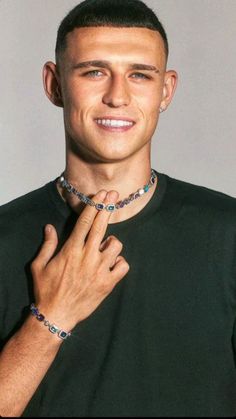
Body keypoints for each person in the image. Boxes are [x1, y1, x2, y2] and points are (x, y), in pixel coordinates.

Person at [0, 0, 236, 416]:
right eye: (94, 71)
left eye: (140, 75)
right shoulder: (3, 237)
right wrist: (50, 319)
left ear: (165, 91)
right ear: (54, 85)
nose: (117, 96)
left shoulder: (229, 234)